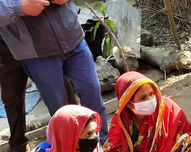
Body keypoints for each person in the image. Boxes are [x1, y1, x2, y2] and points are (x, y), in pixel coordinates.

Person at [0, 0, 109, 141]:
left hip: (73, 37)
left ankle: (103, 143)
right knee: (60, 109)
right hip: (36, 53)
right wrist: (19, 7)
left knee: (92, 91)